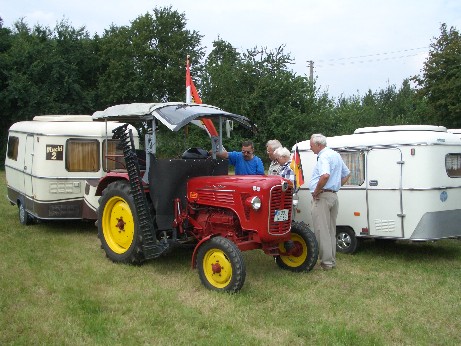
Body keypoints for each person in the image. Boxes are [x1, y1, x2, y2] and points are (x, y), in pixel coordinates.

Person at [308, 133, 350, 271]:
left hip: (323, 197)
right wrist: (336, 186)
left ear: (318, 145)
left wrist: (317, 191)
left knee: (321, 230)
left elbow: (325, 175)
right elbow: (347, 174)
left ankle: (326, 263)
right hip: (333, 196)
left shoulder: (324, 156)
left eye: (312, 145)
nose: (310, 147)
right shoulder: (335, 155)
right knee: (331, 230)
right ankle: (331, 259)